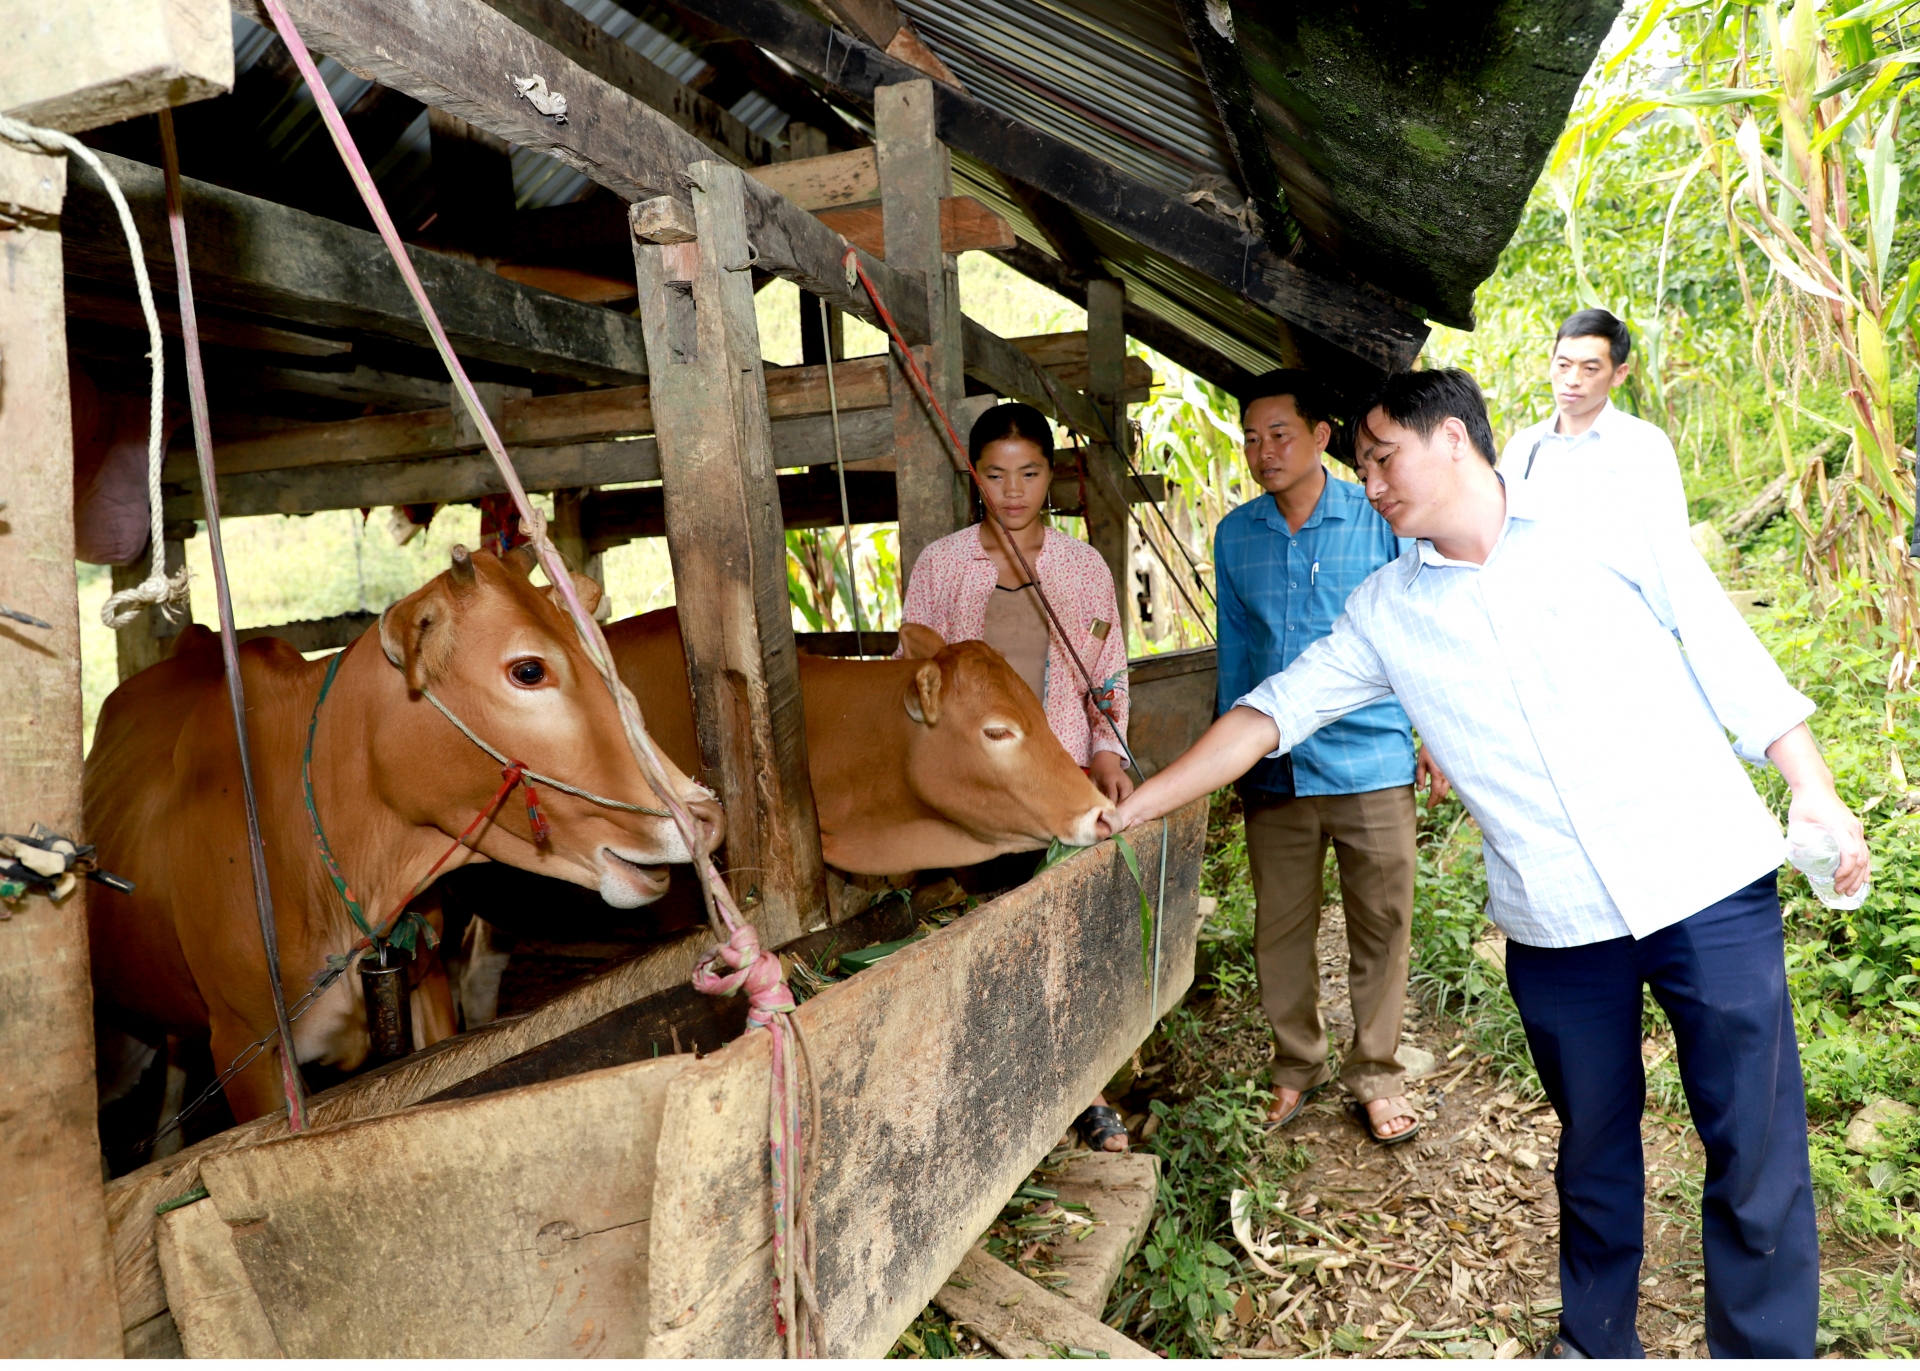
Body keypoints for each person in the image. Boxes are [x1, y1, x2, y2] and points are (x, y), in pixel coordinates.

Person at [1103, 367, 1868, 1359]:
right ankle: (1595, 1345)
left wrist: (1810, 783)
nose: (1369, 484)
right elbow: (1269, 712)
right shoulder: (1386, 609)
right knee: (1592, 1151)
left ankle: (1765, 1352)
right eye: (1362, 467)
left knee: (1754, 1148)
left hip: (1704, 880)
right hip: (1556, 925)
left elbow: (1722, 646)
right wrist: (1143, 803)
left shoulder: (1604, 519)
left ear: (1454, 439)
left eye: (1382, 458)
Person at [1215, 370, 1449, 1146]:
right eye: (1251, 437)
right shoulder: (1235, 534)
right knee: (1280, 927)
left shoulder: (1378, 517)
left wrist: (1432, 733)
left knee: (1381, 921)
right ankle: (1296, 1065)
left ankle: (1377, 1073)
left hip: (1371, 758)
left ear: (1321, 436)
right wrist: (1229, 754)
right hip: (1275, 767)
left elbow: (1422, 625)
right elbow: (1237, 655)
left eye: (1279, 433)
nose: (1262, 451)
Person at [900, 400, 1134, 1151]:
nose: (1012, 490)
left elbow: (1108, 675)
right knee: (984, 932)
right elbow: (911, 673)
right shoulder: (943, 565)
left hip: (1056, 778)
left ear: (1051, 477)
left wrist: (1107, 750)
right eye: (996, 473)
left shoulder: (1080, 568)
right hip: (969, 793)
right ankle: (996, 1090)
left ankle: (1086, 1086)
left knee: (1063, 933)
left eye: (1029, 472)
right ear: (975, 476)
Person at [1499, 307, 1689, 533]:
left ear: (1619, 374)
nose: (1572, 380)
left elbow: (1671, 542)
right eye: (1563, 366)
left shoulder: (1645, 445)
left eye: (1590, 369)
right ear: (1551, 364)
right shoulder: (1524, 448)